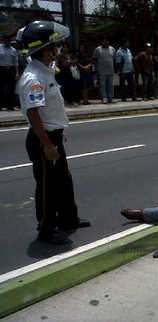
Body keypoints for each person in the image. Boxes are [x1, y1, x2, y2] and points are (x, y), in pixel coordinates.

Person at [16, 21, 90, 245]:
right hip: (43, 140)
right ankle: (46, 229)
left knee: (64, 181)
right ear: (43, 49)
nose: (58, 50)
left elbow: (49, 109)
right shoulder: (33, 78)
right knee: (48, 186)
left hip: (52, 135)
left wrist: (57, 132)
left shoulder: (45, 71)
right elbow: (33, 113)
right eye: (54, 47)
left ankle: (69, 219)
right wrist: (47, 143)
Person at [93, 38, 116, 104]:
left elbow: (114, 59)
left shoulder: (112, 49)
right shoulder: (98, 49)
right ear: (102, 42)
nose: (105, 42)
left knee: (110, 85)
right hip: (101, 70)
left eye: (107, 41)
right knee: (102, 85)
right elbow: (94, 59)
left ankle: (110, 97)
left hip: (110, 70)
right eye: (104, 41)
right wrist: (96, 68)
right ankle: (104, 97)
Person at [0, 36, 19, 110]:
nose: (7, 42)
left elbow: (16, 62)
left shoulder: (13, 50)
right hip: (1, 69)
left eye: (8, 40)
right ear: (3, 40)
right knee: (1, 88)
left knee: (11, 88)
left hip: (11, 69)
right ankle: (1, 105)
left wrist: (17, 73)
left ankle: (10, 105)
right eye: (5, 40)